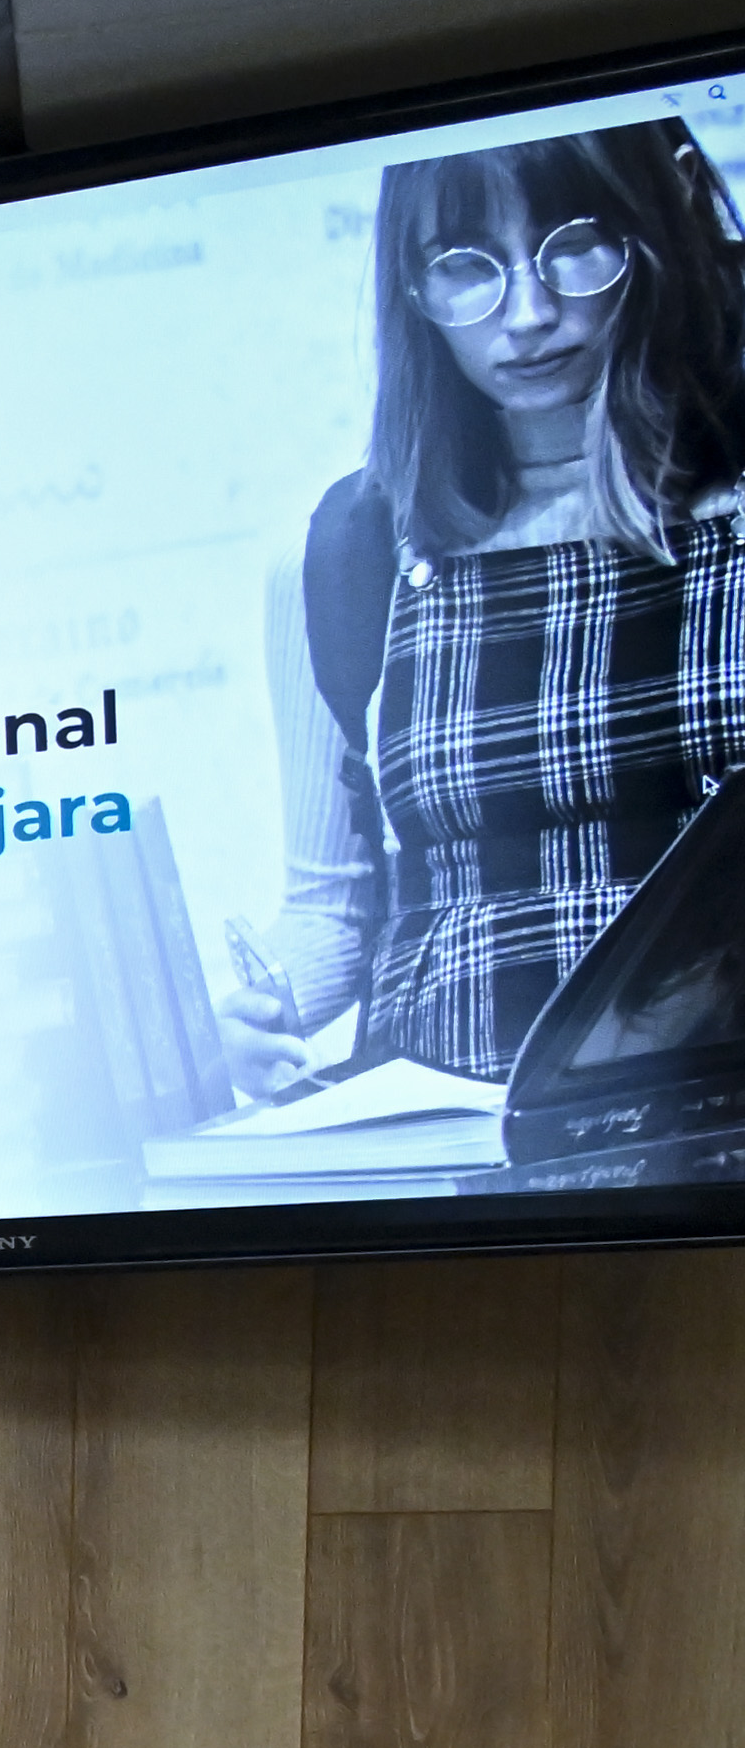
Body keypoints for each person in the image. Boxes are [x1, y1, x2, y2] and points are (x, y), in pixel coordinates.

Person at [229, 119, 745, 1087]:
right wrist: (257, 1015)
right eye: (466, 266)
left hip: (709, 1117)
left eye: (573, 245)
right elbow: (334, 914)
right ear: (409, 286)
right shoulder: (346, 552)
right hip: (449, 1138)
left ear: (665, 211)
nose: (527, 313)